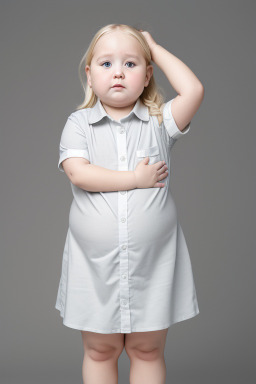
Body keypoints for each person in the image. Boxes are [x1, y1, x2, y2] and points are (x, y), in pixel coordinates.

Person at [55, 23, 204, 384]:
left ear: (148, 74)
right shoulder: (79, 124)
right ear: (89, 76)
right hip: (95, 267)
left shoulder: (159, 123)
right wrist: (135, 181)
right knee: (99, 351)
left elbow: (194, 90)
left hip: (151, 263)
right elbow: (79, 174)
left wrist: (152, 47)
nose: (118, 71)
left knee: (147, 351)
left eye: (131, 64)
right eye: (106, 64)